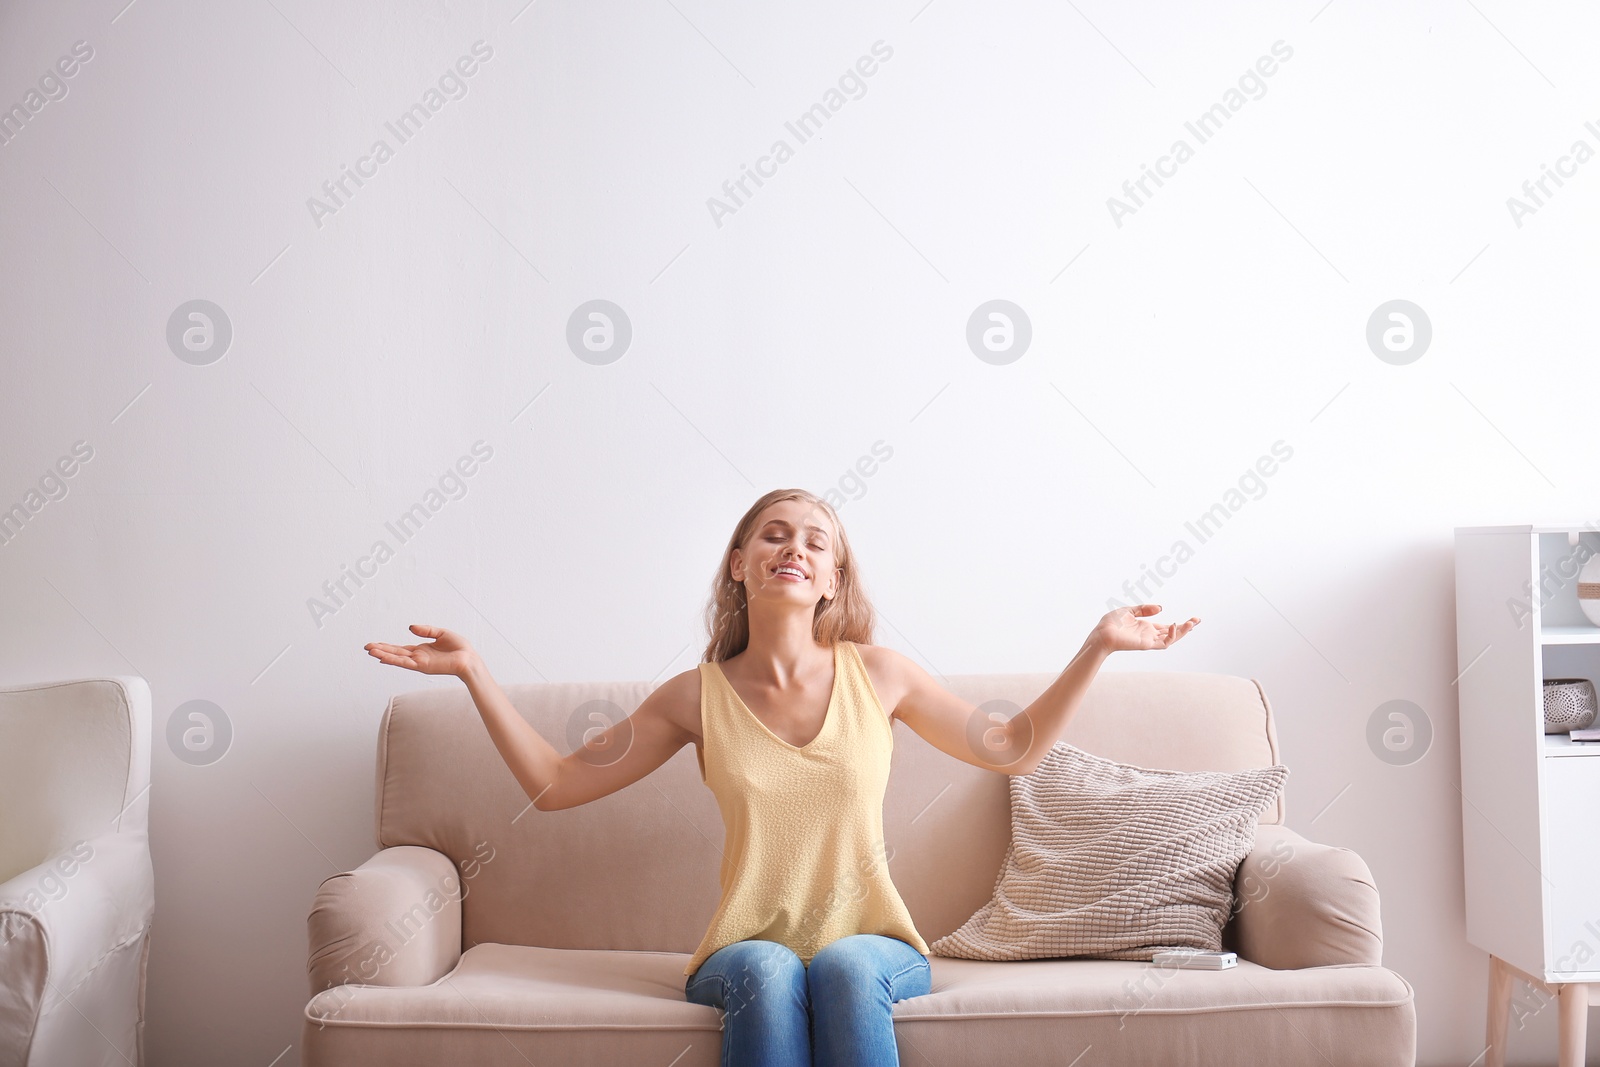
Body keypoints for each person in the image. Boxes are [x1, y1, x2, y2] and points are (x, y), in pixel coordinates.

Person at [364, 488, 1199, 1067]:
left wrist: (1097, 647)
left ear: (833, 578)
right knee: (767, 969)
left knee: (837, 967)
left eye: (815, 539)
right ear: (739, 563)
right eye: (773, 533)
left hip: (875, 943)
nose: (793, 547)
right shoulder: (695, 697)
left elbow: (1010, 744)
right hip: (740, 947)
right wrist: (475, 672)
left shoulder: (882, 674)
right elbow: (554, 783)